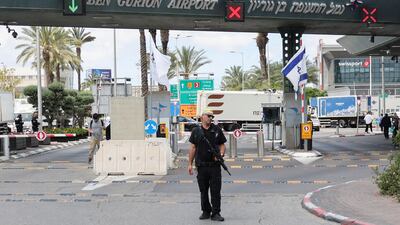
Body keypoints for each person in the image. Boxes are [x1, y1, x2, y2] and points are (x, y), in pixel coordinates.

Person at [188, 110, 227, 222]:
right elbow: (193, 148)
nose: (210, 118)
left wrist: (221, 154)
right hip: (201, 166)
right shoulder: (196, 131)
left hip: (215, 166)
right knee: (203, 190)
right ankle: (206, 211)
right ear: (202, 117)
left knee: (215, 190)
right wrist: (190, 164)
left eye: (211, 116)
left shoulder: (216, 129)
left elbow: (222, 145)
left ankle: (216, 213)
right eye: (208, 116)